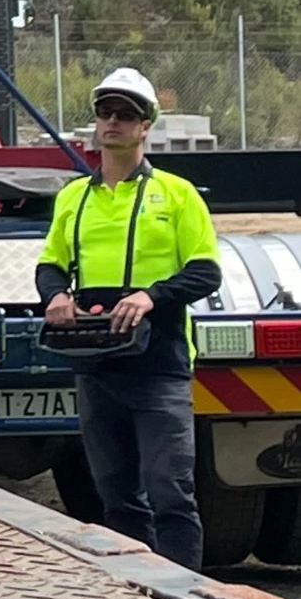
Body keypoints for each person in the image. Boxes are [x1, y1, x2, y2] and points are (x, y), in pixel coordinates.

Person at [36, 67, 222, 569]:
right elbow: (51, 263)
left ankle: (188, 597)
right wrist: (55, 296)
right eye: (105, 112)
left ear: (146, 127)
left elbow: (206, 273)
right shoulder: (73, 198)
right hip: (97, 367)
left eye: (126, 114)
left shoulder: (178, 195)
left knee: (171, 492)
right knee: (117, 494)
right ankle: (137, 596)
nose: (112, 121)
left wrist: (150, 297)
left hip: (158, 365)